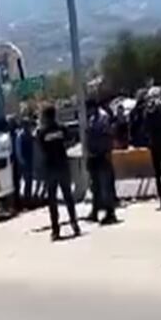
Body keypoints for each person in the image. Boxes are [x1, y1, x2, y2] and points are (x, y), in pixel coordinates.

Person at [37, 106, 81, 241]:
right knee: (68, 197)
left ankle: (55, 230)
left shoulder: (42, 132)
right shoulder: (61, 128)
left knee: (53, 201)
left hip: (50, 169)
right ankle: (74, 224)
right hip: (63, 166)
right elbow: (71, 139)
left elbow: (40, 149)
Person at [84, 99, 119, 225]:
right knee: (96, 186)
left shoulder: (102, 117)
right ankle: (95, 211)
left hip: (102, 155)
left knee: (105, 185)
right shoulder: (93, 118)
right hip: (94, 156)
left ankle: (110, 213)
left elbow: (106, 136)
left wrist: (105, 152)